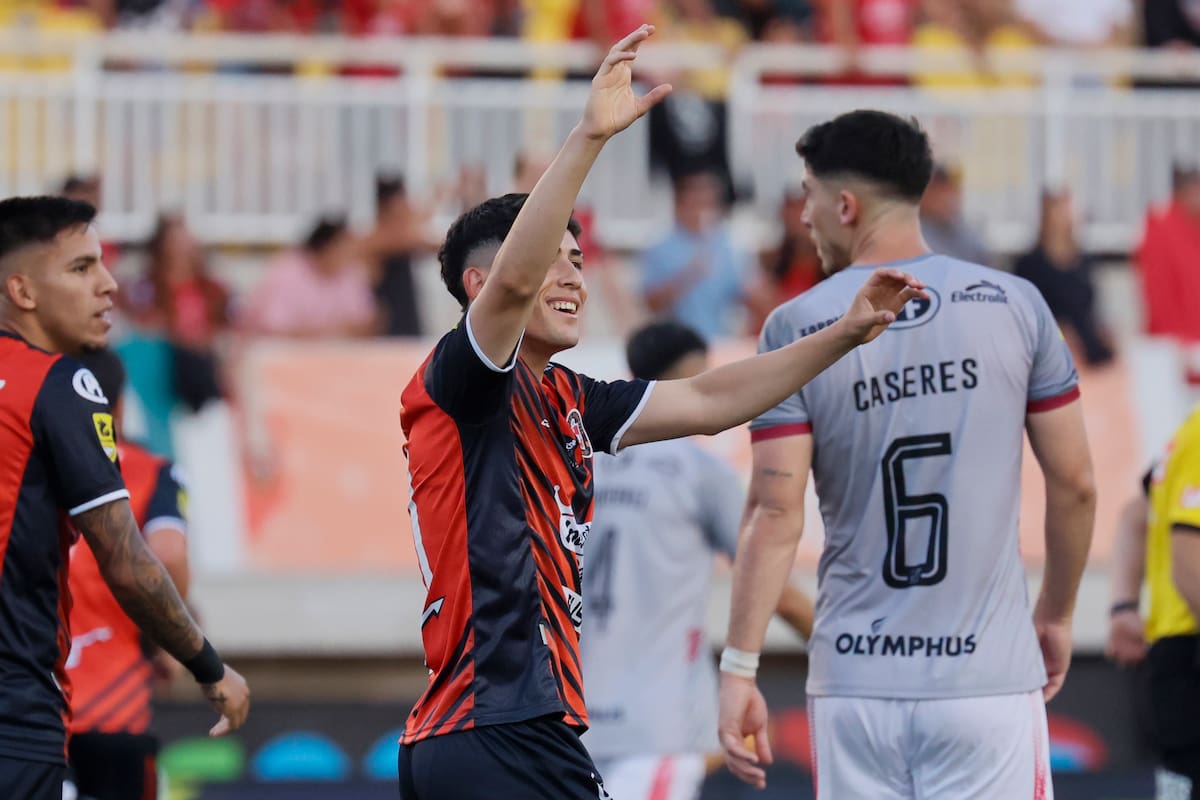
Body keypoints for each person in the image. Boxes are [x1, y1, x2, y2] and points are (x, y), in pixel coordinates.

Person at [396, 26, 923, 800]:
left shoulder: (571, 398)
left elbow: (713, 400)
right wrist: (589, 139)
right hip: (501, 731)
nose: (571, 271)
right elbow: (513, 286)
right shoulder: (464, 379)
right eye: (552, 257)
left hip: (495, 732)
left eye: (578, 257)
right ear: (482, 283)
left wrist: (844, 332)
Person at [718, 110, 1096, 798]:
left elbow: (774, 515)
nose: (803, 218)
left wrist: (740, 668)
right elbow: (1074, 483)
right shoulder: (1015, 304)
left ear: (844, 205)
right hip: (985, 680)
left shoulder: (796, 325)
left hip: (856, 686)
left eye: (807, 196)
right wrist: (1059, 614)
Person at [0, 196, 248, 799]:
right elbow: (134, 562)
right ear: (23, 291)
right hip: (24, 711)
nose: (109, 285)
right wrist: (207, 666)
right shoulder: (60, 384)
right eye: (82, 268)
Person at [582, 320, 815, 800]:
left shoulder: (581, 465)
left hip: (573, 723)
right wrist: (840, 645)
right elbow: (775, 584)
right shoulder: (697, 472)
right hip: (657, 728)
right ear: (693, 377)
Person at [65, 348, 190, 800]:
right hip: (115, 709)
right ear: (119, 404)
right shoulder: (150, 471)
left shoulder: (23, 468)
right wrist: (172, 636)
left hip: (31, 711)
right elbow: (168, 551)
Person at [1106, 410, 1200, 797]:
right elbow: (1188, 553)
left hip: (1176, 657)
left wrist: (1124, 607)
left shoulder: (1188, 432)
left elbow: (1136, 514)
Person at [1014, 190, 1114, 367]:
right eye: (1060, 206)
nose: (1067, 213)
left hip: (1090, 354)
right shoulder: (1030, 264)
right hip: (1052, 357)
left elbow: (1093, 309)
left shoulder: (1084, 260)